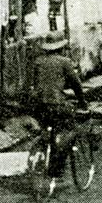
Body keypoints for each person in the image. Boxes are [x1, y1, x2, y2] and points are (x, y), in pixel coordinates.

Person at [28, 33, 90, 174]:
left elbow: (34, 84)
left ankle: (44, 150)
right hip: (56, 105)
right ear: (61, 48)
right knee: (72, 130)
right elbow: (76, 84)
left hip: (38, 106)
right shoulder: (64, 62)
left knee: (49, 129)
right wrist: (82, 102)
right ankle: (57, 166)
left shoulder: (37, 61)